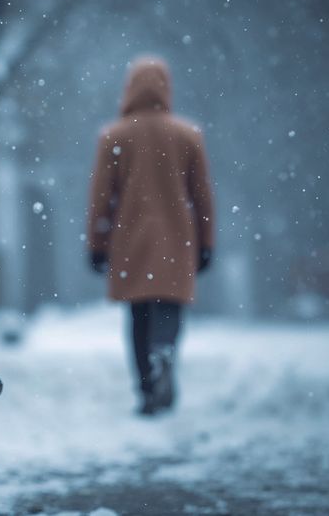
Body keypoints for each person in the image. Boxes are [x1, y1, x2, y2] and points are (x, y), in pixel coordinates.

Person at [86, 56, 215, 415]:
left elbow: (101, 197)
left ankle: (145, 386)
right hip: (177, 241)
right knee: (169, 312)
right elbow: (202, 196)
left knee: (138, 316)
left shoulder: (114, 136)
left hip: (131, 243)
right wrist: (206, 243)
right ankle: (165, 358)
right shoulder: (188, 136)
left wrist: (97, 244)